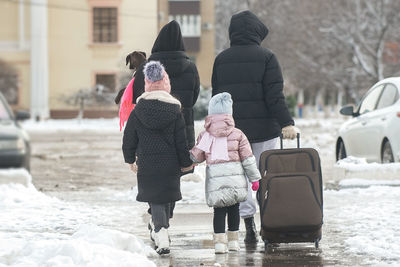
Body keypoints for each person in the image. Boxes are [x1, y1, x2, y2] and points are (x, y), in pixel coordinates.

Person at [211, 10, 299, 244]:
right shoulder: (268, 57)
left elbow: (216, 100)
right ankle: (268, 226)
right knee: (263, 178)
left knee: (239, 179)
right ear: (257, 32)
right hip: (264, 133)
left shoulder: (221, 59)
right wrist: (287, 123)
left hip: (232, 134)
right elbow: (275, 97)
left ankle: (248, 226)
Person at [122, 61, 194, 255]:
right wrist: (186, 162)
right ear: (166, 84)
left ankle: (159, 228)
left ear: (147, 84)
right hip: (170, 164)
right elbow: (181, 141)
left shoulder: (138, 111)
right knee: (166, 198)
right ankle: (162, 231)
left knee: (157, 199)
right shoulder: (175, 111)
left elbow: (129, 138)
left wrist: (130, 159)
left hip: (147, 163)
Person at [190, 92, 261, 254]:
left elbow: (196, 156)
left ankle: (220, 244)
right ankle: (234, 242)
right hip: (236, 182)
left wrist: (186, 159)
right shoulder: (238, 134)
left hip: (216, 183)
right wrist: (255, 178)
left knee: (219, 211)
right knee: (234, 209)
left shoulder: (206, 135)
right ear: (229, 114)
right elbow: (248, 159)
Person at [132, 20, 200, 149]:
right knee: (182, 168)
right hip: (183, 135)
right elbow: (194, 97)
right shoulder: (191, 68)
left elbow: (136, 99)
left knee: (153, 167)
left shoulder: (145, 68)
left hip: (150, 138)